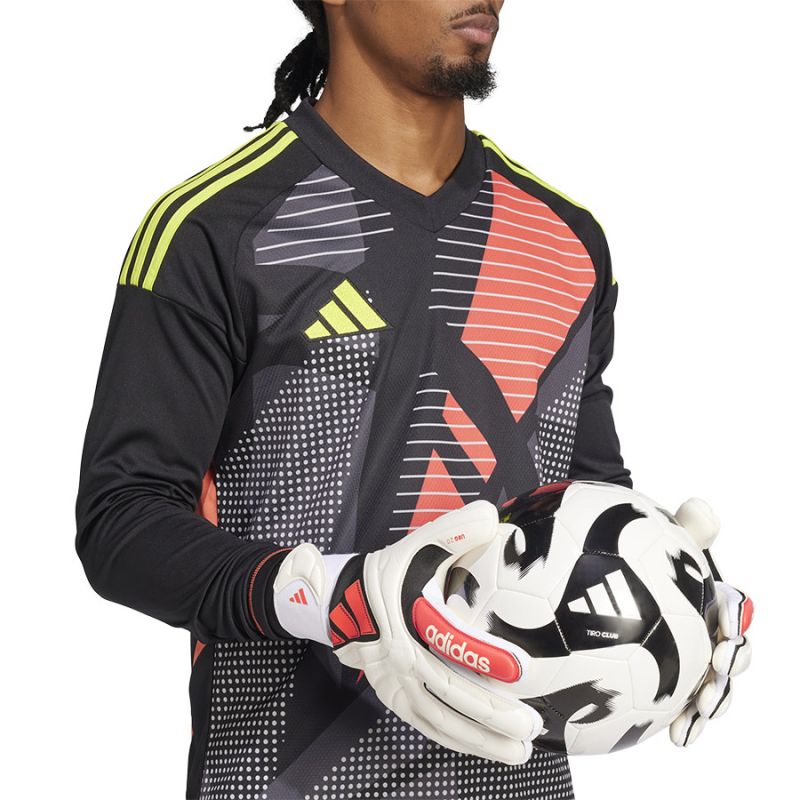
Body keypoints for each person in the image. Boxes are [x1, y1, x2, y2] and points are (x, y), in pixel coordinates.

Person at [75, 2, 752, 798]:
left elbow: (585, 501)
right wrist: (329, 595)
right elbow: (122, 524)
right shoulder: (216, 231)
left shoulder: (567, 243)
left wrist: (674, 591)